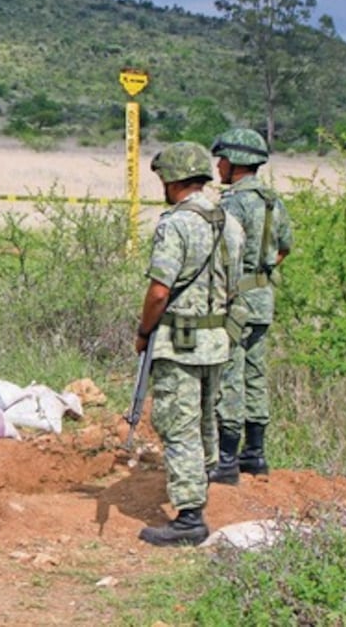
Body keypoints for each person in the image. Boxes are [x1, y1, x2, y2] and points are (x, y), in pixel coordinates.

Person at [136, 141, 244, 547]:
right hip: (216, 339)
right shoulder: (229, 223)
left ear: (173, 178)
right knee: (204, 420)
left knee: (178, 424)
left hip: (180, 341)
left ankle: (189, 517)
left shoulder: (176, 224)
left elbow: (159, 291)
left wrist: (144, 332)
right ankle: (202, 486)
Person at [207, 128, 293, 485]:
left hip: (236, 299)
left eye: (222, 159)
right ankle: (255, 454)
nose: (218, 165)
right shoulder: (274, 201)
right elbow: (283, 247)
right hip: (263, 297)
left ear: (236, 163)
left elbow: (220, 254)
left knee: (230, 375)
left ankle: (226, 459)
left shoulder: (231, 203)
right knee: (256, 374)